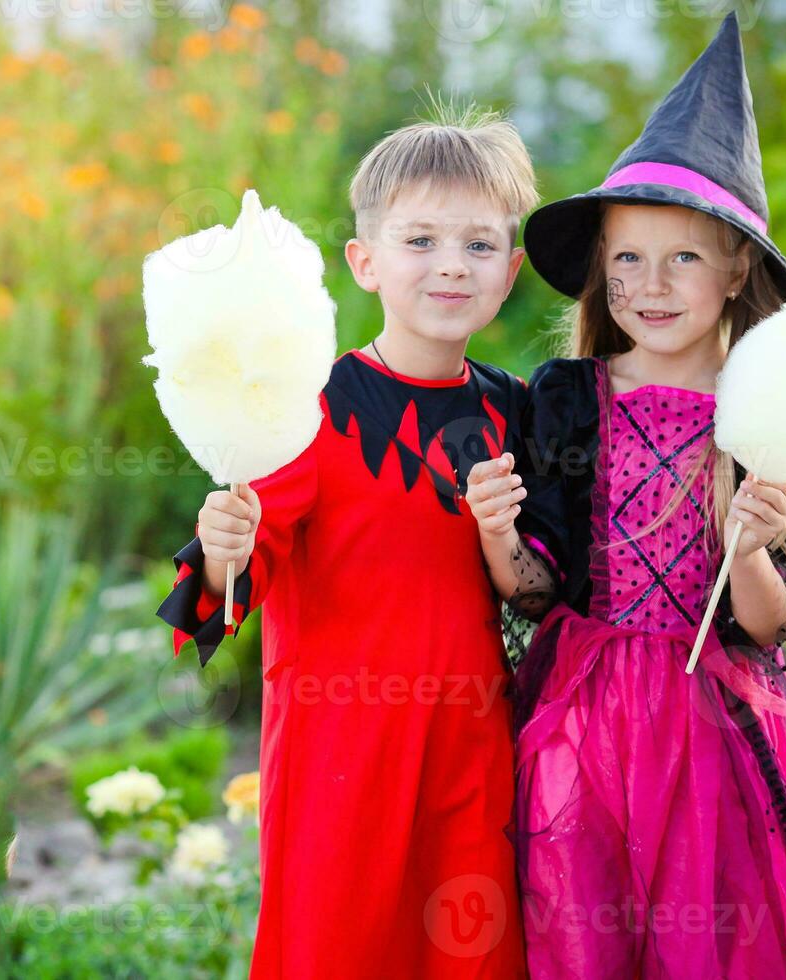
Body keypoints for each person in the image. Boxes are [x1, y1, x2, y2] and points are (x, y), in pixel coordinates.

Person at [463, 15, 786, 978]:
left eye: (682, 258)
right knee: (577, 932)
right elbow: (537, 591)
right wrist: (500, 538)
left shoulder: (781, 417)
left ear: (737, 267)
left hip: (712, 725)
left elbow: (767, 624)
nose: (649, 285)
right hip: (579, 724)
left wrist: (751, 545)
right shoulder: (567, 399)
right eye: (626, 259)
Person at [157, 105, 537, 978]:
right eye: (420, 241)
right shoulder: (305, 406)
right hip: (344, 753)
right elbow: (233, 576)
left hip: (471, 751)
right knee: (342, 947)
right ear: (364, 263)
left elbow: (544, 586)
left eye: (480, 246)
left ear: (511, 270)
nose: (451, 265)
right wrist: (223, 545)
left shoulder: (519, 411)